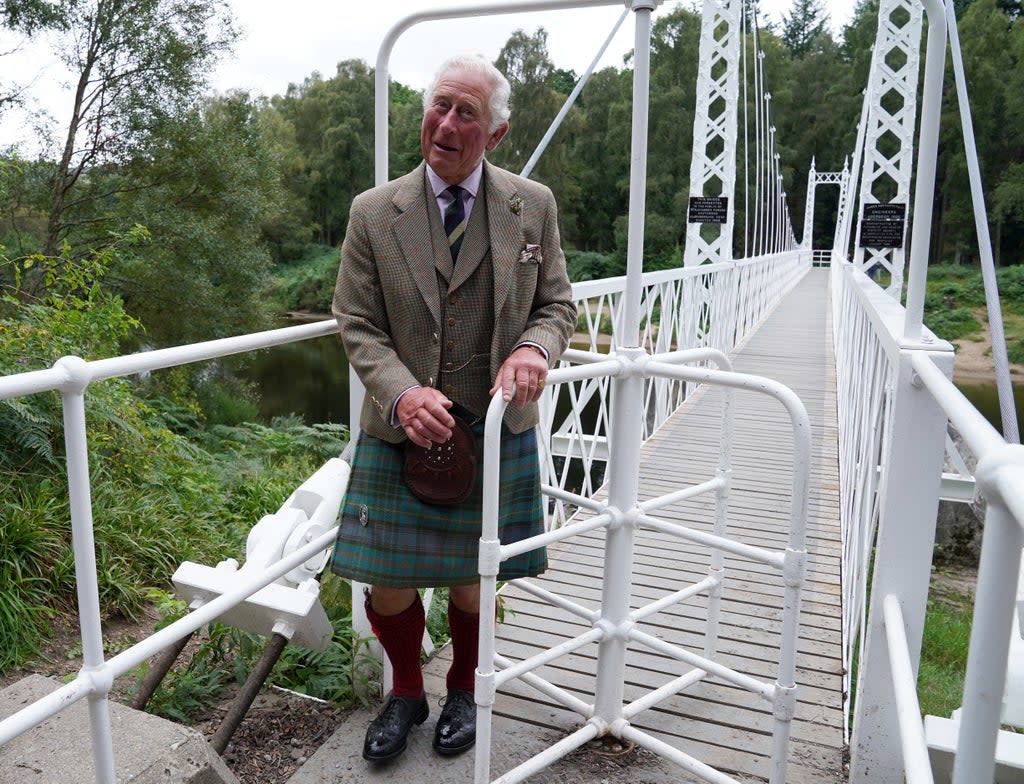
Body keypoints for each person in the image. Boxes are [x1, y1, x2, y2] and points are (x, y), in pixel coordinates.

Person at [330, 53, 576, 764]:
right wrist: (402, 392)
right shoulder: (374, 213)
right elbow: (355, 321)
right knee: (387, 578)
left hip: (494, 427)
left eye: (466, 112)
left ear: (494, 134)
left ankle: (464, 687)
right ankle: (406, 691)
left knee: (474, 578)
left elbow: (557, 305)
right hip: (399, 427)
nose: (446, 122)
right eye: (440, 105)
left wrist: (536, 349)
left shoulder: (535, 205)